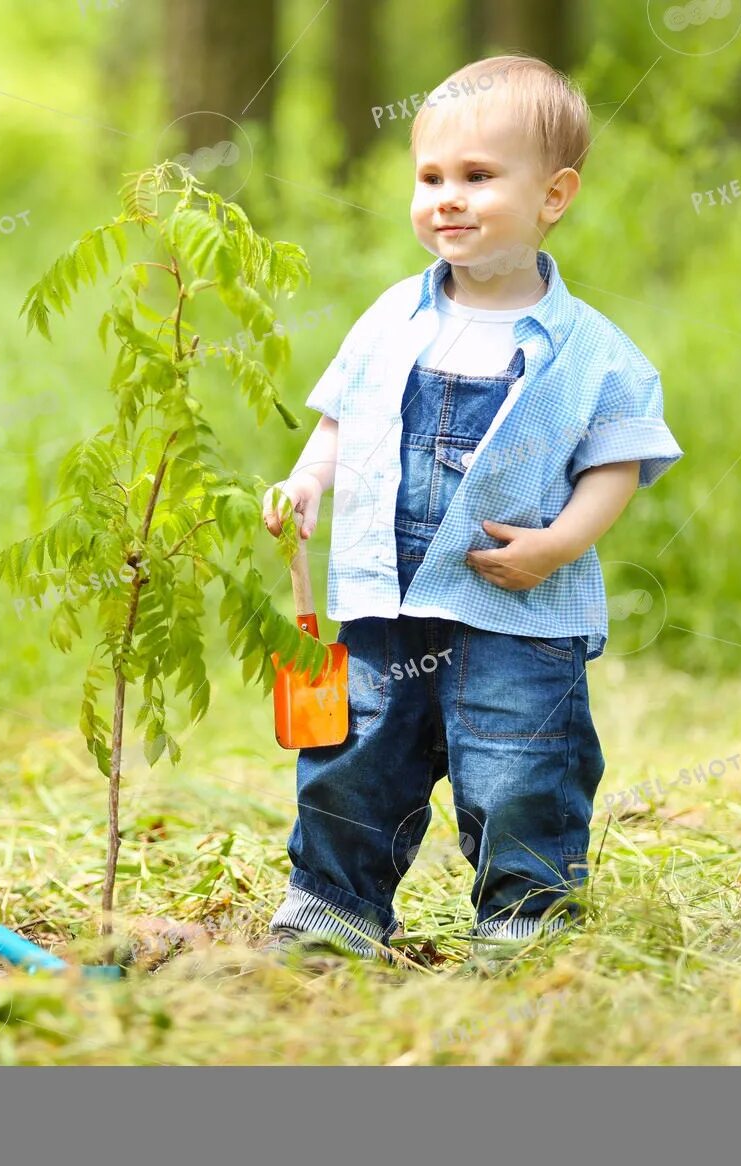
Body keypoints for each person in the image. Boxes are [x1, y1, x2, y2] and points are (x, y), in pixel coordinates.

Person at [258, 55, 683, 966]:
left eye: (478, 178)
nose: (447, 199)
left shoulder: (592, 351)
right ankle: (333, 910)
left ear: (553, 195)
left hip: (516, 606)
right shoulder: (389, 321)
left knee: (524, 765)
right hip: (389, 596)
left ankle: (525, 924)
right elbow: (342, 416)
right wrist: (305, 483)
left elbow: (618, 463)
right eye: (431, 178)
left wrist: (558, 545)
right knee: (357, 755)